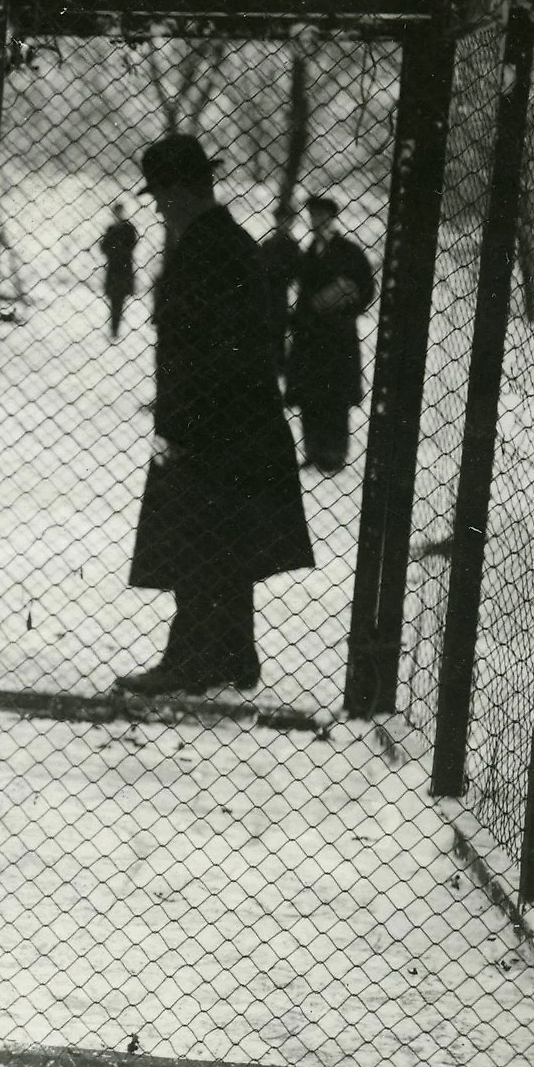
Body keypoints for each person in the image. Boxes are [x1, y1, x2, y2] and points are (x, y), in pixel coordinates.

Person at [116, 134, 313, 698]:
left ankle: (194, 661)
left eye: (160, 194)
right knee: (225, 541)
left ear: (180, 192)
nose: (155, 205)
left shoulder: (207, 249)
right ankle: (232, 656)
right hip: (237, 422)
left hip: (214, 425)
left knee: (199, 541)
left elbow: (205, 352)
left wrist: (179, 427)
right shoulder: (220, 241)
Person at [283, 195, 377, 473]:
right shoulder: (309, 251)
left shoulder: (348, 251)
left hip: (336, 338)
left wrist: (345, 305)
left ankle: (334, 453)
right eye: (312, 215)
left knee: (334, 396)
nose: (316, 220)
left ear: (331, 217)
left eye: (321, 215)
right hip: (310, 339)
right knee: (311, 394)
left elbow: (366, 288)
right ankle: (313, 450)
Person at [256, 202, 303, 381]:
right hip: (267, 297)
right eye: (280, 219)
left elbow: (297, 275)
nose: (283, 223)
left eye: (287, 220)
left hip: (282, 298)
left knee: (280, 337)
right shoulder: (268, 244)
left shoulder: (293, 247)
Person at [99, 202, 139, 341]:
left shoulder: (128, 228)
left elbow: (131, 245)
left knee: (118, 301)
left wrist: (115, 249)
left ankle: (115, 329)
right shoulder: (111, 228)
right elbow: (103, 247)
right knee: (114, 302)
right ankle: (114, 329)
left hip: (123, 271)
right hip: (114, 271)